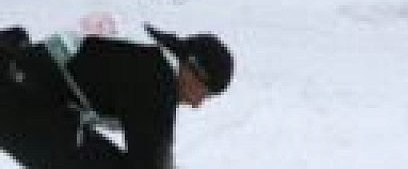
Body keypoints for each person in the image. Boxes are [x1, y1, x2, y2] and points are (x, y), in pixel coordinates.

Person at [0, 23, 233, 169]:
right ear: (192, 69)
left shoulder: (152, 52)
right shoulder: (156, 82)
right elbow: (150, 160)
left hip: (23, 77)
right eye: (203, 93)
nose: (197, 105)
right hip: (19, 103)